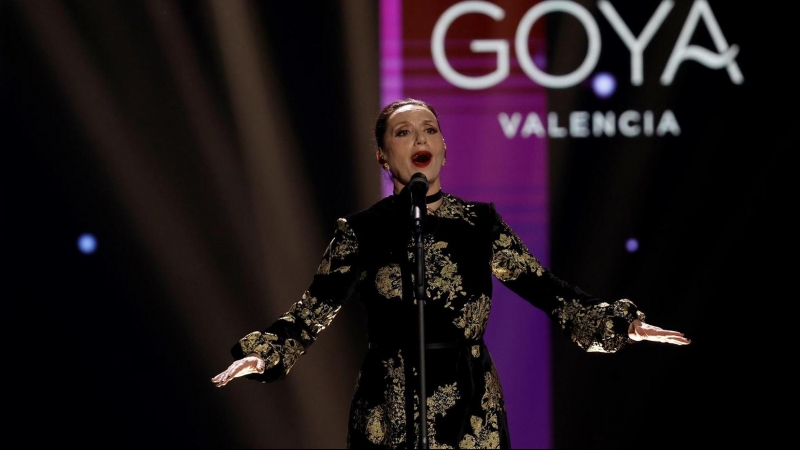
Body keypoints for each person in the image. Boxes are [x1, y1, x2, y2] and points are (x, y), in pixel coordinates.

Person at [211, 98, 691, 449]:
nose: (419, 139)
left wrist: (617, 324)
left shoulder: (480, 224)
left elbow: (546, 290)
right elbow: (312, 311)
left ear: (444, 148)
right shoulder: (361, 232)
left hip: (469, 402)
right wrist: (266, 354)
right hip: (388, 405)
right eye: (403, 132)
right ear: (382, 155)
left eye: (429, 129)